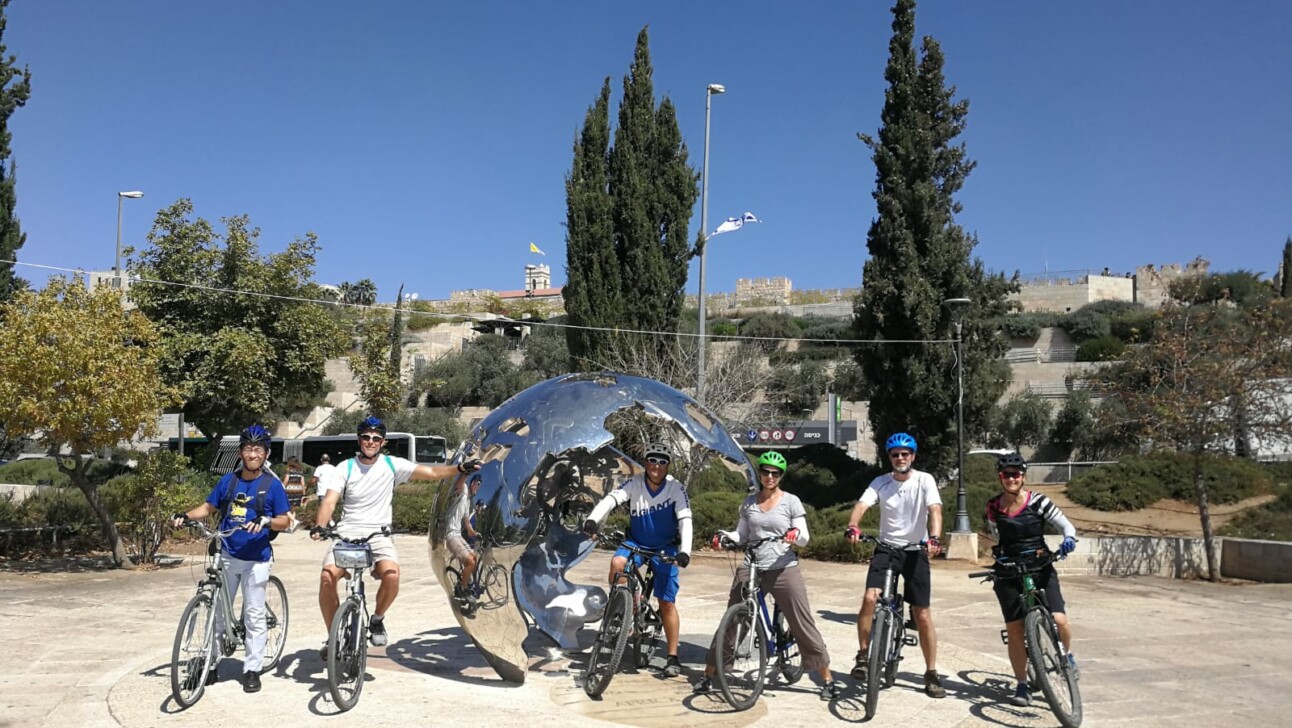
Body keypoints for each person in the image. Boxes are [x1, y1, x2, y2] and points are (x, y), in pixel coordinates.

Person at [311, 416, 480, 654]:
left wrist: (459, 469)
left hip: (379, 535)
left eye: (376, 438)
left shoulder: (391, 465)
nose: (370, 442)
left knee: (391, 575)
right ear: (359, 440)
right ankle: (333, 637)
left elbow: (430, 471)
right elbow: (330, 499)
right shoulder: (345, 467)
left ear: (382, 442)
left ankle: (377, 620)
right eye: (366, 437)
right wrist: (320, 525)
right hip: (348, 533)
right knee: (327, 578)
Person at [694, 451, 841, 700]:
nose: (770, 476)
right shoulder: (749, 502)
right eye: (765, 471)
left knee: (802, 623)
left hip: (783, 567)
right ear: (759, 473)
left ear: (781, 476)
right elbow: (742, 534)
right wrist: (726, 537)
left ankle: (826, 679)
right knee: (730, 621)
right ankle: (709, 675)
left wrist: (795, 535)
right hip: (752, 565)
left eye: (775, 473)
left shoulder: (791, 501)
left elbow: (804, 537)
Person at [171, 424, 291, 693]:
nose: (252, 453)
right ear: (240, 452)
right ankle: (211, 663)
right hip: (227, 553)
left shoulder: (272, 486)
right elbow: (209, 506)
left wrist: (266, 521)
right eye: (248, 448)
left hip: (256, 559)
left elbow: (285, 520)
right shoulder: (228, 481)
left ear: (265, 453)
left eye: (258, 449)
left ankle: (251, 668)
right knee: (216, 611)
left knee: (253, 613)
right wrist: (186, 516)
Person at [844, 431, 946, 699]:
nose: (900, 458)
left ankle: (931, 672)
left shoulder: (925, 480)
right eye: (895, 455)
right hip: (886, 550)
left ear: (912, 456)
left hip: (915, 552)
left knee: (922, 614)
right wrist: (853, 526)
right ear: (889, 457)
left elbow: (935, 509)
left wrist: (934, 538)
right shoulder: (880, 482)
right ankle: (864, 656)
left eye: (905, 454)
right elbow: (861, 505)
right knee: (869, 598)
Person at [581, 442, 693, 679]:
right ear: (645, 462)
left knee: (667, 603)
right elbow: (612, 499)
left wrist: (685, 551)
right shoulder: (635, 483)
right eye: (653, 460)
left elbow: (685, 519)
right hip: (637, 543)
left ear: (668, 466)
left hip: (666, 547)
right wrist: (593, 520)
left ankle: (672, 656)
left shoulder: (675, 488)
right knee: (617, 564)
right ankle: (621, 610)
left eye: (663, 462)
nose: (657, 466)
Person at [985, 452, 1080, 707]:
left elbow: (1066, 526)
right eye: (1007, 474)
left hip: (1040, 566)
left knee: (1059, 620)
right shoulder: (993, 507)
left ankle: (1066, 657)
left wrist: (1068, 539)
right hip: (1009, 570)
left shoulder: (1039, 502)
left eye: (1017, 474)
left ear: (1023, 476)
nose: (1012, 478)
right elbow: (997, 535)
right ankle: (1022, 685)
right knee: (1015, 631)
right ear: (1001, 477)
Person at [445, 475, 482, 616]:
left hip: (458, 535)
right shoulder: (464, 489)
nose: (478, 487)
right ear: (472, 483)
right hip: (450, 534)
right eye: (477, 484)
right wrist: (466, 471)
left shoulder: (467, 501)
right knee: (469, 562)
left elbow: (467, 524)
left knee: (474, 558)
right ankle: (461, 588)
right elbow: (459, 483)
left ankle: (464, 583)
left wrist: (475, 533)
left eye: (480, 485)